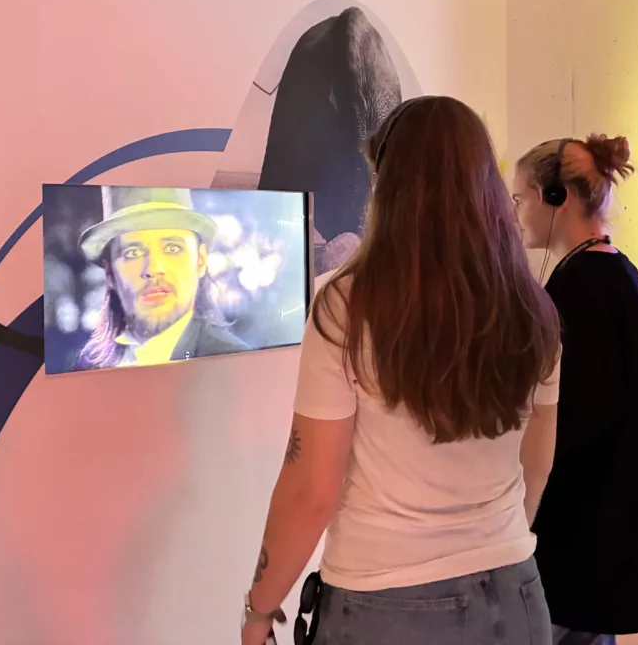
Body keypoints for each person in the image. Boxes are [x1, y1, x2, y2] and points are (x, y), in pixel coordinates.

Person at [240, 96, 562, 645]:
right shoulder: (531, 306)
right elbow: (538, 459)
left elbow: (310, 489)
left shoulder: (348, 306)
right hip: (517, 590)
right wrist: (497, 539)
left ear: (387, 185)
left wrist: (259, 609)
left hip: (387, 601)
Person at [511, 135, 638, 645]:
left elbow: (572, 421)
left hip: (580, 534)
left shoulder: (584, 287)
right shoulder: (609, 273)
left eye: (521, 198)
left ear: (557, 197)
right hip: (597, 531)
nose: (516, 214)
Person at [77, 186, 246, 369]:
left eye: (172, 248)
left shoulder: (235, 364)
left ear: (200, 261)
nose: (153, 269)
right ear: (110, 274)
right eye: (133, 253)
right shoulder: (91, 363)